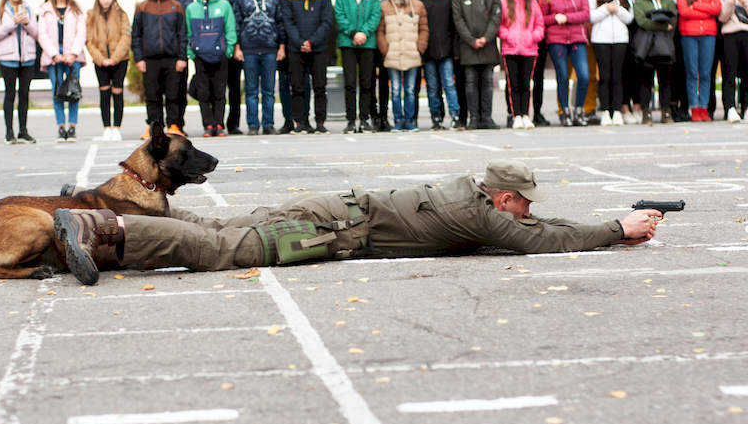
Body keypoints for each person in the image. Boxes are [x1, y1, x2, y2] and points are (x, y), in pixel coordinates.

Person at [54, 159, 662, 285]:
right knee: (223, 251)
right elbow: (542, 239)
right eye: (523, 200)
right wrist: (616, 229)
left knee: (225, 226)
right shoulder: (482, 215)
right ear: (502, 199)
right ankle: (103, 230)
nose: (528, 208)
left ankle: (97, 207)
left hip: (332, 208)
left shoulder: (471, 195)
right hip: (329, 231)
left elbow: (535, 224)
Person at [132, 0, 187, 139]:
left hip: (172, 59)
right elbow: (136, 35)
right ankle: (154, 127)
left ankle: (174, 125)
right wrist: (139, 58)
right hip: (150, 60)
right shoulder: (142, 7)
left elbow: (182, 34)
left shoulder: (175, 6)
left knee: (173, 94)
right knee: (152, 95)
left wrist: (182, 58)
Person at [281, 0, 333, 134]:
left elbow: (326, 23)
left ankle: (320, 122)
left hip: (318, 49)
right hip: (297, 49)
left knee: (320, 87)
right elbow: (288, 23)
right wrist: (300, 42)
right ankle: (300, 123)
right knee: (297, 87)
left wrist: (312, 42)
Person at [234, 0, 286, 135]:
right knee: (251, 90)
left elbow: (280, 23)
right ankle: (253, 125)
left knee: (269, 90)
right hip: (248, 50)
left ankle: (268, 124)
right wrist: (238, 48)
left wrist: (281, 47)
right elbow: (237, 24)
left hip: (270, 50)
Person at [452, 0, 502, 130]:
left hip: (488, 46)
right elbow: (458, 20)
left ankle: (486, 117)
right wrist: (472, 40)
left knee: (487, 83)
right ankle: (474, 118)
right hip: (468, 47)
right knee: (471, 83)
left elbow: (496, 18)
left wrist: (485, 38)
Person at [186, 0, 237, 138]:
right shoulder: (192, 8)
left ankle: (219, 124)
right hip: (200, 56)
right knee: (203, 92)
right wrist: (191, 52)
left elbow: (230, 28)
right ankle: (208, 125)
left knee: (219, 91)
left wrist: (228, 49)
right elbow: (188, 32)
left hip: (220, 55)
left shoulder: (224, 5)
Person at [334, 0, 381, 134]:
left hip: (367, 43)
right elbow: (339, 15)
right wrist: (353, 33)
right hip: (348, 43)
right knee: (350, 83)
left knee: (367, 83)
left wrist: (364, 32)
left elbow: (375, 15)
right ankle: (351, 120)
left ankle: (364, 119)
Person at [377, 0, 428, 131]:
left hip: (412, 53)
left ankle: (409, 120)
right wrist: (385, 48)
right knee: (396, 90)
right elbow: (380, 30)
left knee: (411, 90)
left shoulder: (417, 5)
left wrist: (420, 47)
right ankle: (398, 120)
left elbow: (424, 29)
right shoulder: (385, 6)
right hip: (393, 54)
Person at [0, 0, 36, 144]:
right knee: (10, 95)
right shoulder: (0, 10)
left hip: (27, 59)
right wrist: (12, 23)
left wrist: (26, 23)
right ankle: (9, 132)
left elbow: (36, 32)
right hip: (8, 59)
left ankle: (23, 130)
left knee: (24, 95)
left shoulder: (27, 8)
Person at [542, 0, 590, 127]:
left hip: (577, 39)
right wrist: (554, 18)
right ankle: (565, 111)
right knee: (562, 77)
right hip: (557, 40)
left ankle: (578, 109)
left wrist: (567, 17)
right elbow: (542, 18)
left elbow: (585, 14)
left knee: (584, 76)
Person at [38, 0, 85, 142]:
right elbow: (42, 34)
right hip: (54, 58)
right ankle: (61, 127)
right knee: (57, 92)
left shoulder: (75, 9)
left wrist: (73, 53)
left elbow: (81, 32)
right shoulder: (45, 9)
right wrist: (54, 54)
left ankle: (72, 127)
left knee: (73, 91)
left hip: (73, 56)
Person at [270, 0, 310, 134]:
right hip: (283, 44)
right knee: (285, 82)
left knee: (303, 82)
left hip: (302, 42)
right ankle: (288, 120)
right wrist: (281, 45)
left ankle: (304, 119)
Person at [589, 0, 633, 126]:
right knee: (605, 76)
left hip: (620, 39)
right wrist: (606, 9)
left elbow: (629, 17)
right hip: (601, 39)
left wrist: (618, 10)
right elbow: (591, 17)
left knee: (618, 76)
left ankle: (617, 111)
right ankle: (606, 111)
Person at [85, 0, 131, 142]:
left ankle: (117, 127)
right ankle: (106, 128)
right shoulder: (91, 15)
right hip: (101, 62)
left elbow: (126, 37)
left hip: (120, 60)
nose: (105, 0)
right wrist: (101, 59)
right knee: (104, 93)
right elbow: (89, 41)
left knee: (117, 92)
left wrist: (115, 58)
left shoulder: (121, 14)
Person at [677, 0, 721, 121]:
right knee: (691, 72)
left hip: (708, 33)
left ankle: (704, 106)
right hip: (689, 34)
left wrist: (696, 5)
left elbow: (716, 9)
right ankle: (694, 107)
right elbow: (684, 11)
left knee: (705, 72)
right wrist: (705, 10)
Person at [499, 0, 544, 130]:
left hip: (529, 49)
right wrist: (508, 36)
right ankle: (516, 115)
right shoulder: (505, 3)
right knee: (513, 84)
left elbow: (540, 24)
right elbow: (501, 25)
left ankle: (526, 114)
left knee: (526, 83)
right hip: (510, 49)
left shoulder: (532, 3)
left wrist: (533, 36)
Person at [634, 0, 678, 124]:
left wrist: (662, 24)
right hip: (647, 47)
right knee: (646, 81)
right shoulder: (640, 2)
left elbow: (673, 19)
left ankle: (666, 111)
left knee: (665, 80)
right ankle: (646, 112)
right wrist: (663, 25)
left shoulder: (667, 1)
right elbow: (642, 21)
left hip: (665, 45)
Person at [421, 0, 460, 130]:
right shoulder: (421, 1)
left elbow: (454, 25)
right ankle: (436, 116)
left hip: (446, 50)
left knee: (449, 85)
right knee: (432, 86)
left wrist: (454, 48)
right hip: (429, 52)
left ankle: (455, 115)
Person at [567, 0, 599, 125]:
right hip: (565, 34)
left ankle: (588, 108)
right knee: (565, 75)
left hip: (587, 33)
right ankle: (565, 109)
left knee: (589, 74)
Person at [523, 0, 554, 127]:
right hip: (522, 35)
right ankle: (521, 113)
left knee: (539, 77)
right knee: (523, 77)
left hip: (540, 34)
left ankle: (538, 112)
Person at [656, 0, 690, 122]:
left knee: (682, 69)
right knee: (669, 70)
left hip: (682, 31)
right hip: (666, 32)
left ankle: (683, 107)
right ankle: (670, 106)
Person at [165, 0, 194, 135]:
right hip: (162, 53)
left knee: (179, 91)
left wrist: (185, 53)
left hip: (179, 52)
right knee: (163, 92)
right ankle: (163, 125)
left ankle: (178, 124)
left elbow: (187, 27)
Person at [214, 0, 243, 135]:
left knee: (234, 90)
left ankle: (233, 124)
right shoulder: (210, 0)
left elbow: (238, 24)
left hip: (233, 50)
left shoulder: (237, 0)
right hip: (215, 51)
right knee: (217, 89)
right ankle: (216, 123)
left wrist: (237, 47)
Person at [718, 0, 748, 123]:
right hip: (730, 36)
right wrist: (731, 0)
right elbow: (723, 16)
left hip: (746, 35)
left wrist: (744, 2)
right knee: (730, 72)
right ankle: (730, 107)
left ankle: (746, 107)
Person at [444, 0, 470, 129]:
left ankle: (477, 115)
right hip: (457, 44)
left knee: (473, 83)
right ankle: (461, 116)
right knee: (459, 83)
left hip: (474, 43)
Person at [704, 0, 730, 120]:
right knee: (709, 71)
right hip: (710, 31)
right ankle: (709, 108)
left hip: (728, 32)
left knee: (729, 71)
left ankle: (730, 108)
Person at [619, 0, 643, 124]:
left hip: (638, 33)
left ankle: (638, 106)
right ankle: (625, 106)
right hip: (621, 32)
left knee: (638, 71)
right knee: (624, 72)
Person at [368, 0, 391, 131]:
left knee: (384, 82)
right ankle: (373, 115)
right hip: (369, 42)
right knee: (368, 82)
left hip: (385, 43)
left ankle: (384, 115)